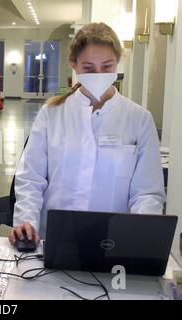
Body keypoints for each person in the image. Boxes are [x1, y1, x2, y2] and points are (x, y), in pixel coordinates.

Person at [9, 23, 166, 246]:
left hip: (113, 241)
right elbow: (30, 179)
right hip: (54, 237)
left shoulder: (139, 119)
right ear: (74, 64)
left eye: (107, 66)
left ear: (118, 62)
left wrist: (139, 235)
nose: (99, 74)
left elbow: (147, 192)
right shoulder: (52, 114)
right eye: (89, 68)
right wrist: (26, 222)